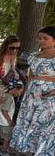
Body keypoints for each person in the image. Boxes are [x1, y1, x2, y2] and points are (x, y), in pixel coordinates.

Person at [10, 26, 55, 155]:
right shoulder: (34, 56)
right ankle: (29, 151)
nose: (41, 40)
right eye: (39, 38)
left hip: (49, 100)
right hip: (31, 97)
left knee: (44, 128)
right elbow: (30, 76)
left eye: (45, 38)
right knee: (28, 124)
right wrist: (25, 92)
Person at [0, 35, 21, 114]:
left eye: (17, 48)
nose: (15, 50)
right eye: (12, 48)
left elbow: (11, 73)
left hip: (6, 90)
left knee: (1, 115)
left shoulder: (14, 57)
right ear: (6, 46)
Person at [0, 87, 23, 156]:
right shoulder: (10, 98)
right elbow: (4, 111)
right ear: (15, 89)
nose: (20, 94)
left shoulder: (4, 95)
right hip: (4, 122)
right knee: (7, 137)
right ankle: (3, 151)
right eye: (20, 91)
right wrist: (10, 121)